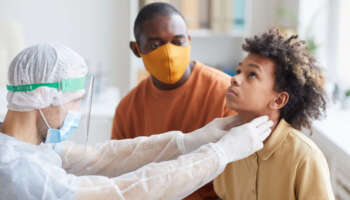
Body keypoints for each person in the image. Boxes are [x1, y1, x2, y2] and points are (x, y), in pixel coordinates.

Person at [0, 43, 273, 200]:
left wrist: (187, 141)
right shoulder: (20, 173)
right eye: (74, 100)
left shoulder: (31, 144)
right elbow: (123, 192)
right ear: (44, 98)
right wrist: (218, 154)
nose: (77, 111)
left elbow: (102, 157)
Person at [111, 3, 235, 198]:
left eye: (178, 42)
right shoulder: (128, 109)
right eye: (155, 45)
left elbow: (239, 178)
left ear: (189, 40)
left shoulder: (225, 92)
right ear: (136, 49)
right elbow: (120, 177)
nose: (169, 53)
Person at [213, 28, 335, 199]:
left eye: (252, 75)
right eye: (239, 71)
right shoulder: (228, 145)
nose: (235, 78)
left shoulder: (305, 157)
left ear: (278, 100)